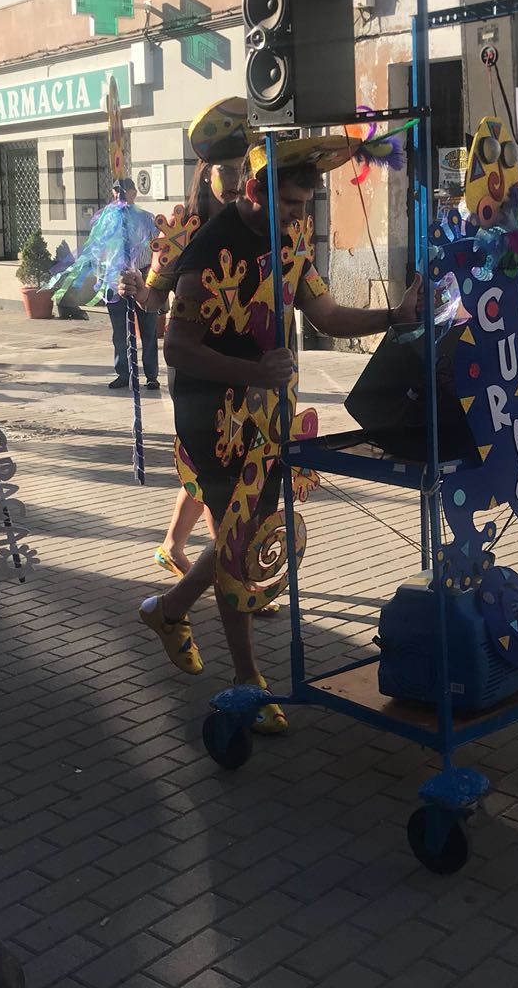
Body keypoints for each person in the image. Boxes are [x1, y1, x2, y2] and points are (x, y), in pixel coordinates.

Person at [137, 137, 419, 733]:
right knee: (238, 540)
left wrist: (394, 317)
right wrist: (251, 371)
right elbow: (177, 348)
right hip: (211, 412)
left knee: (250, 525)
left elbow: (328, 316)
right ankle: (247, 679)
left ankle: (170, 610)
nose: (298, 215)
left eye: (304, 203)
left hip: (268, 409)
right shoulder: (207, 252)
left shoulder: (290, 241)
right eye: (289, 202)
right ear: (251, 190)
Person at [120, 99, 249, 580]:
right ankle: (236, 576)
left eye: (242, 168)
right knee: (218, 468)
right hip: (195, 366)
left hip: (244, 360)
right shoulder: (181, 233)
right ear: (207, 173)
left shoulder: (256, 228)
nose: (236, 179)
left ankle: (173, 546)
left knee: (211, 464)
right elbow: (155, 304)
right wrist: (138, 290)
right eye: (227, 169)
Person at [105, 184, 159, 391]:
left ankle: (152, 375)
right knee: (120, 330)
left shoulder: (147, 218)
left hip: (143, 277)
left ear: (134, 193)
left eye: (123, 191)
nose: (118, 195)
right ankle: (123, 372)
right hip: (117, 279)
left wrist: (152, 280)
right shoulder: (109, 220)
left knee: (149, 330)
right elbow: (101, 249)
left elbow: (157, 249)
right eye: (115, 191)